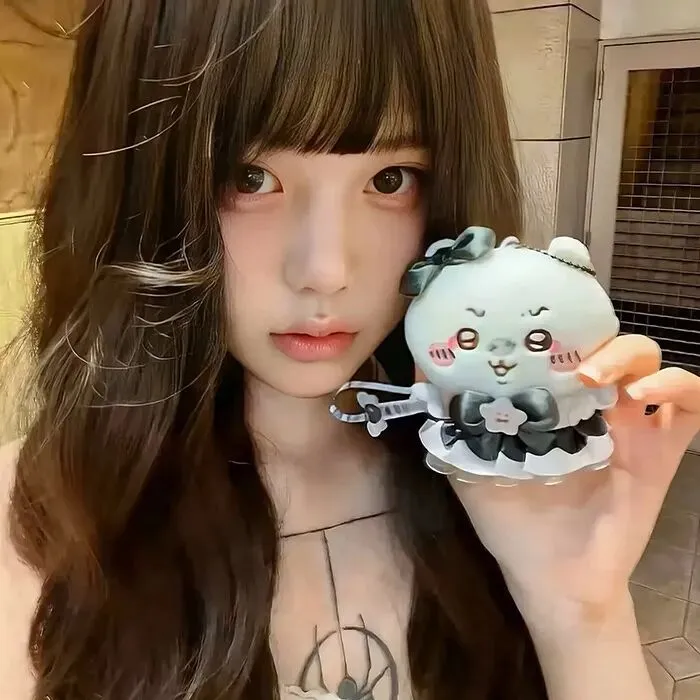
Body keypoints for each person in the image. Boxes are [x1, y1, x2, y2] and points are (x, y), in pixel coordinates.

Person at [1, 1, 699, 699]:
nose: (326, 270)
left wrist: (581, 615)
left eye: (390, 179)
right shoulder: (30, 533)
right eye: (249, 177)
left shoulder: (492, 492)